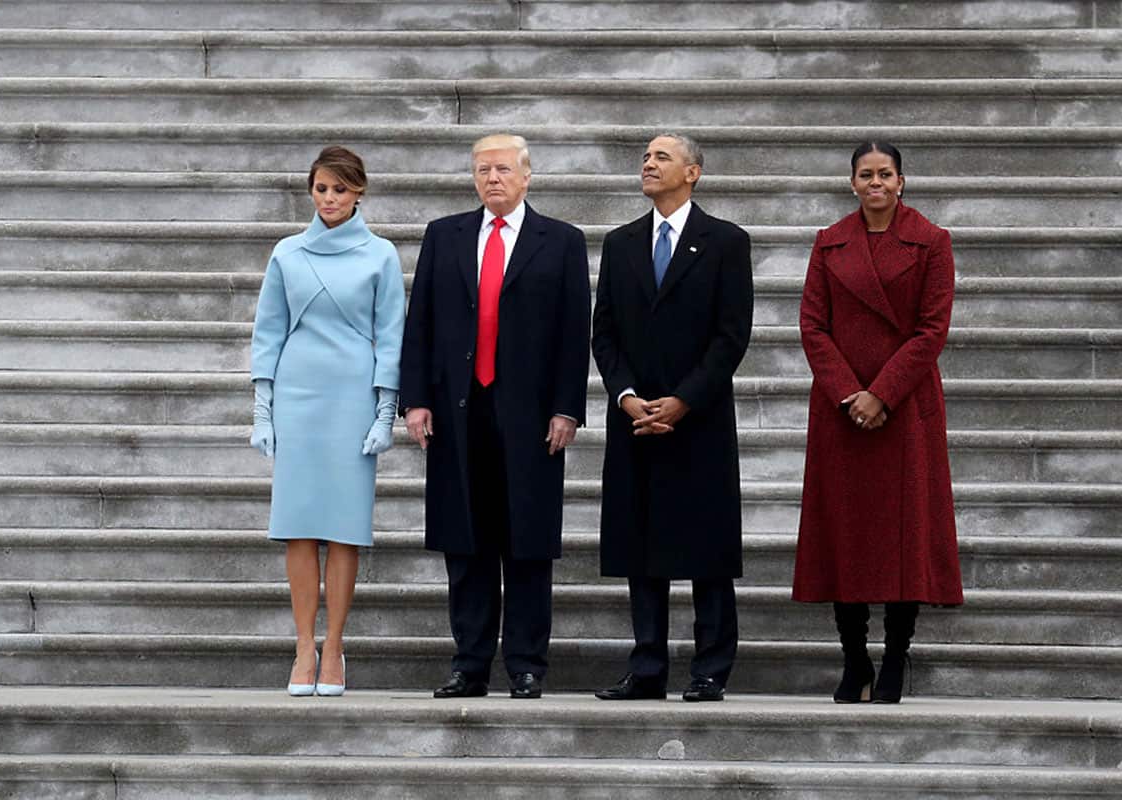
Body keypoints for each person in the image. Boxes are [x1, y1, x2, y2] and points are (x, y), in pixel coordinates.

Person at [399, 134, 590, 700]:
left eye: (503, 169)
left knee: (526, 542)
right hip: (459, 412)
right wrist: (416, 399)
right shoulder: (445, 235)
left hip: (530, 416)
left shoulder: (561, 241)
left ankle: (527, 663)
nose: (492, 179)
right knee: (467, 542)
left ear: (527, 176)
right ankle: (470, 663)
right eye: (483, 170)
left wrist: (566, 408)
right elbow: (422, 323)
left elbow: (572, 333)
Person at [792, 141, 963, 704]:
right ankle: (853, 659)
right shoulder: (829, 242)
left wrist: (882, 394)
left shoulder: (932, 242)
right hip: (843, 411)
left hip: (904, 406)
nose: (875, 184)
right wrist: (849, 394)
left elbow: (931, 331)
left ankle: (894, 658)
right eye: (865, 175)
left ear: (901, 181)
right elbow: (813, 325)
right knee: (846, 534)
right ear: (852, 183)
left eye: (885, 174)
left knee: (904, 537)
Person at [591, 133, 754, 702]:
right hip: (636, 419)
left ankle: (711, 668)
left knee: (706, 548)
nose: (649, 163)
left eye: (662, 157)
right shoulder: (621, 243)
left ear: (694, 172)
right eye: (645, 157)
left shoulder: (726, 242)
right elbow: (604, 333)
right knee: (642, 547)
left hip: (699, 419)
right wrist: (627, 395)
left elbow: (732, 335)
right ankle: (647, 667)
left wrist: (684, 400)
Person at [249, 146, 406, 697]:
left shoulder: (381, 255)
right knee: (297, 526)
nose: (330, 199)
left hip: (352, 397)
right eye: (322, 189)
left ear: (359, 192)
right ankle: (302, 648)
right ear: (310, 191)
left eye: (340, 189)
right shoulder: (287, 254)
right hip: (298, 395)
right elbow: (268, 330)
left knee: (343, 530)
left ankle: (334, 647)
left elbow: (392, 334)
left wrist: (385, 411)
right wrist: (263, 408)